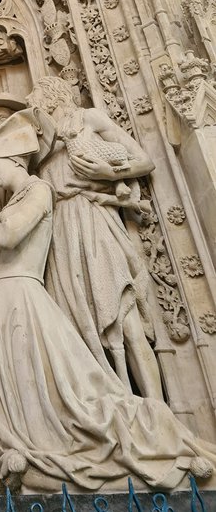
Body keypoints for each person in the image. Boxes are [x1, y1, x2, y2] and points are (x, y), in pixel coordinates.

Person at [0, 109, 215, 493]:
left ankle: (153, 429)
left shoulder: (38, 189)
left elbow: (7, 236)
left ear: (14, 159)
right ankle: (33, 448)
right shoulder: (15, 197)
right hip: (6, 295)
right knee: (26, 382)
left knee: (75, 377)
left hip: (32, 287)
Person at [27, 76, 161, 398]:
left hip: (93, 217)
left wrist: (109, 173)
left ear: (53, 95)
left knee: (122, 313)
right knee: (76, 325)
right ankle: (107, 404)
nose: (31, 101)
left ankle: (156, 405)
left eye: (35, 94)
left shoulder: (88, 118)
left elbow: (145, 161)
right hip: (58, 232)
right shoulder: (37, 141)